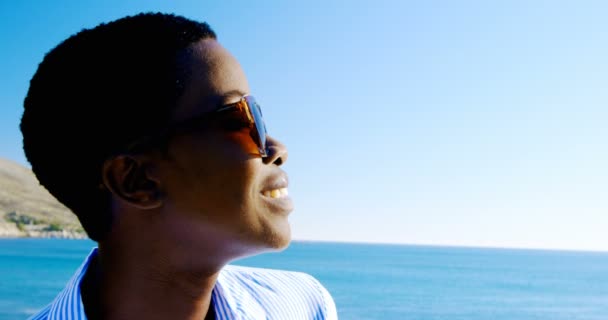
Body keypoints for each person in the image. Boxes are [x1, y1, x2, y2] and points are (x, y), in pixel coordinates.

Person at [21, 12, 338, 320]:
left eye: (258, 113)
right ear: (137, 181)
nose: (277, 148)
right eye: (241, 117)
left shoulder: (303, 304)